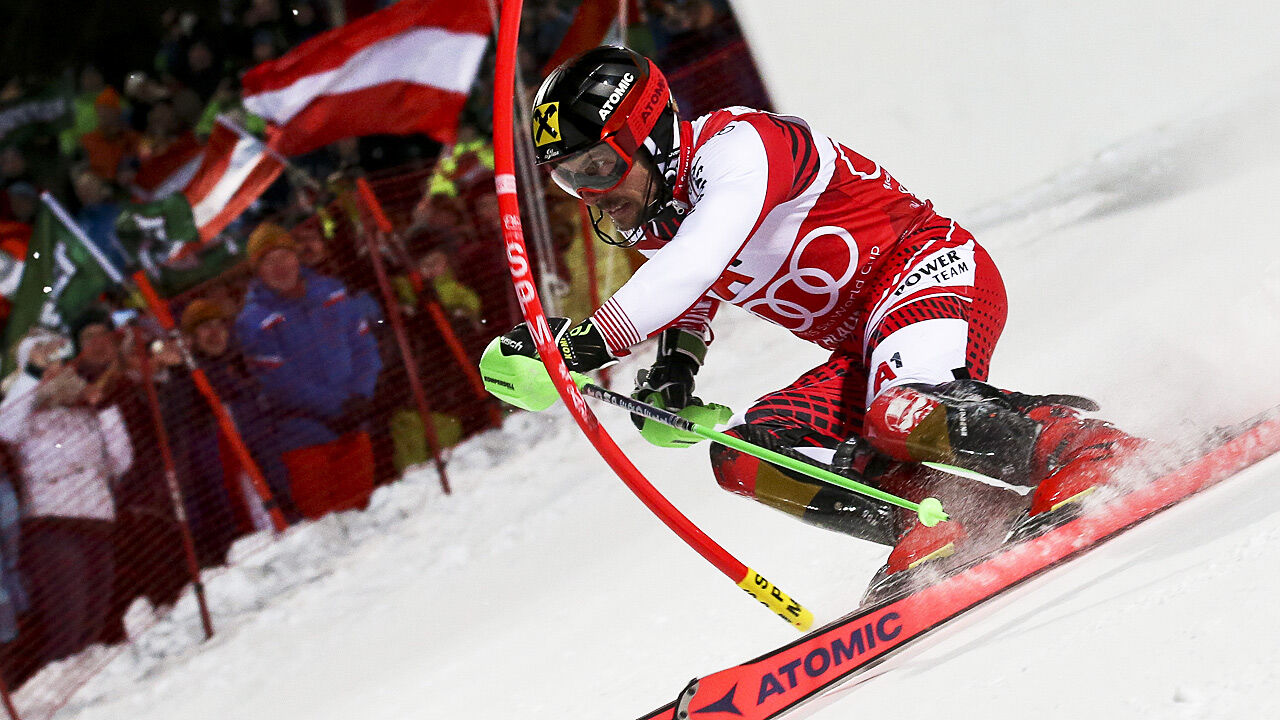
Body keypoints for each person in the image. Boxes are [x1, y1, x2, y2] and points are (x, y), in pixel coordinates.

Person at [491, 46, 1148, 581]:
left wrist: (577, 345)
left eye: (601, 166)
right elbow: (694, 294)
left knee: (898, 414)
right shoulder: (655, 214)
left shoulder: (740, 148)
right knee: (744, 456)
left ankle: (1081, 448)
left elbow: (699, 258)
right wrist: (675, 371)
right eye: (571, 179)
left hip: (931, 273)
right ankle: (950, 520)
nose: (595, 195)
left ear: (651, 135)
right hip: (866, 345)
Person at [236, 222, 381, 519]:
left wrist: (361, 395)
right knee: (324, 529)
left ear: (296, 257)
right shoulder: (253, 321)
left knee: (364, 518)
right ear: (257, 270)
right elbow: (280, 384)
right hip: (303, 439)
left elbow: (364, 347)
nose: (280, 266)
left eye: (284, 255)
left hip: (354, 425)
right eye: (268, 260)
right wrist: (339, 406)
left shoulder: (333, 292)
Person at [0, 329, 129, 663]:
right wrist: (31, 377)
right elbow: (5, 428)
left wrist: (106, 409)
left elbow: (121, 461)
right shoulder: (21, 415)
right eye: (43, 363)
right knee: (67, 622)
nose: (53, 370)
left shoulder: (82, 410)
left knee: (93, 618)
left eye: (56, 360)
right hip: (54, 525)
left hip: (97, 520)